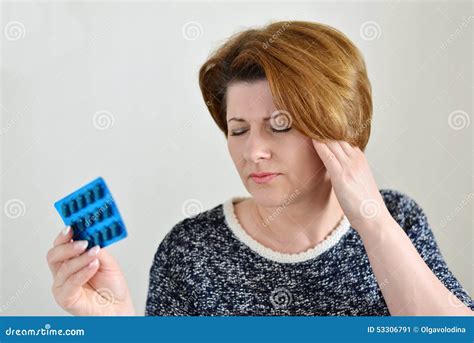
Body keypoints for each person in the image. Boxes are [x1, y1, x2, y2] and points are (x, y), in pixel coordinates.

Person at [47, 20, 473, 316]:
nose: (253, 152)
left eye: (280, 125)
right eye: (238, 129)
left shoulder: (397, 219)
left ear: (335, 128)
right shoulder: (190, 251)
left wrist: (373, 222)